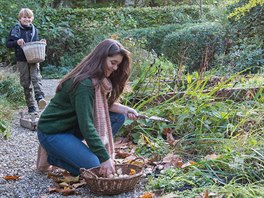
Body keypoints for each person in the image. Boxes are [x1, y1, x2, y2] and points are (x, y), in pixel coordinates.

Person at [37, 39, 138, 176]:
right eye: (113, 63)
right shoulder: (84, 84)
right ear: (100, 58)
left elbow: (99, 105)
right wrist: (104, 158)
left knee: (118, 117)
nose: (115, 68)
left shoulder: (99, 80)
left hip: (72, 126)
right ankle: (53, 156)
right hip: (54, 131)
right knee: (96, 168)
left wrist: (125, 109)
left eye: (118, 65)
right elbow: (87, 125)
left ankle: (78, 151)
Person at [6, 8, 47, 113]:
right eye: (24, 17)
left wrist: (41, 42)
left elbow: (35, 43)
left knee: (36, 78)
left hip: (34, 58)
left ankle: (39, 98)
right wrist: (16, 42)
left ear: (32, 18)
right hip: (22, 59)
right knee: (26, 82)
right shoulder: (16, 29)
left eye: (29, 17)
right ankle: (31, 106)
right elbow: (8, 44)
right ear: (20, 18)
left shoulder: (34, 30)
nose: (27, 19)